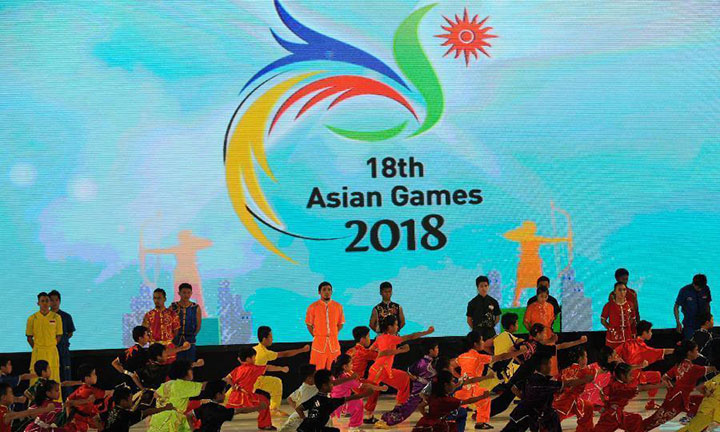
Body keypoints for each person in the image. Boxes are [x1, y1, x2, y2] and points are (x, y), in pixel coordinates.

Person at [490, 324, 586, 417]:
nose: (545, 335)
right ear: (538, 334)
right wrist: (579, 341)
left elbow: (512, 349)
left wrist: (520, 360)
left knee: (506, 401)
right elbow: (561, 346)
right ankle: (484, 414)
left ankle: (485, 413)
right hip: (522, 377)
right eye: (544, 333)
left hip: (521, 375)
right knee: (504, 402)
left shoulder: (528, 342)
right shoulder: (538, 347)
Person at [365, 316, 434, 420]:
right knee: (371, 392)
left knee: (404, 379)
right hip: (379, 370)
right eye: (396, 325)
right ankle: (368, 416)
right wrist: (427, 332)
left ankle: (399, 407)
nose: (397, 327)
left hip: (383, 370)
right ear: (390, 327)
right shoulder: (391, 338)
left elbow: (371, 350)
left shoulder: (380, 338)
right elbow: (411, 336)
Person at [501, 354, 593, 432]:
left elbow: (514, 388)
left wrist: (525, 399)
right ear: (542, 366)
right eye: (549, 364)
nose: (550, 366)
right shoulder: (544, 383)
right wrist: (585, 380)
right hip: (533, 415)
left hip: (524, 413)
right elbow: (567, 384)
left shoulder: (530, 378)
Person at [456, 330, 524, 430]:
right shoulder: (479, 357)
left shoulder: (462, 356)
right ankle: (479, 422)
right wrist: (519, 352)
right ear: (475, 344)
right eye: (481, 340)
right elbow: (502, 357)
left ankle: (457, 419)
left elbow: (450, 365)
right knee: (483, 398)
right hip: (476, 385)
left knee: (463, 403)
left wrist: (459, 378)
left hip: (465, 386)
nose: (483, 342)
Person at [642, 340, 716, 431]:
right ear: (689, 353)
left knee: (703, 402)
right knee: (652, 422)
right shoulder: (694, 369)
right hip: (677, 401)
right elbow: (713, 368)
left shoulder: (678, 365)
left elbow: (664, 377)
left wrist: (671, 389)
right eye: (696, 350)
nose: (698, 352)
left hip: (677, 398)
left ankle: (696, 423)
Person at [376, 341, 440, 428]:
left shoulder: (429, 362)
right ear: (431, 351)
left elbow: (410, 371)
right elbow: (410, 372)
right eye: (436, 348)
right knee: (407, 409)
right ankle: (387, 421)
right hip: (419, 390)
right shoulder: (423, 363)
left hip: (426, 389)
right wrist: (417, 379)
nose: (438, 350)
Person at [615, 320, 673, 410]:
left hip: (631, 375)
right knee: (629, 395)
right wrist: (678, 350)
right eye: (650, 331)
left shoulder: (628, 343)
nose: (651, 333)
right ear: (644, 333)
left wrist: (622, 365)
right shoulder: (643, 348)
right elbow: (662, 351)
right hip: (632, 379)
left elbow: (614, 353)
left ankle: (651, 403)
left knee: (656, 375)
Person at [225, 347, 288, 431]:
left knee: (229, 411)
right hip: (246, 397)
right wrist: (281, 368)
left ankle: (265, 424)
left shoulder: (238, 369)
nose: (255, 359)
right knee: (264, 402)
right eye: (254, 357)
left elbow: (228, 378)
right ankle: (265, 425)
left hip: (234, 396)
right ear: (248, 359)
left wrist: (233, 386)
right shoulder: (253, 368)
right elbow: (268, 367)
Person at [253, 326, 310, 416]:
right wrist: (302, 350)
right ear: (264, 339)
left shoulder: (255, 349)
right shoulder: (264, 353)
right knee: (236, 401)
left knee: (276, 383)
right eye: (271, 337)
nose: (272, 339)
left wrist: (280, 368)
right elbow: (285, 354)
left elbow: (265, 367)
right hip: (250, 381)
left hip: (258, 379)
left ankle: (273, 409)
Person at [413, 370, 491, 432]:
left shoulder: (433, 396)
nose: (454, 383)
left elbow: (420, 406)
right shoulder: (449, 401)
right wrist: (482, 397)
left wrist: (427, 416)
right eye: (452, 381)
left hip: (424, 423)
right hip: (438, 426)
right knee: (462, 412)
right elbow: (468, 401)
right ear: (446, 385)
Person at [294, 369, 371, 432]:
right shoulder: (329, 402)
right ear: (324, 386)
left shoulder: (315, 398)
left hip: (304, 428)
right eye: (331, 383)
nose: (333, 385)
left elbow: (299, 408)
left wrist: (306, 420)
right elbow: (349, 398)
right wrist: (365, 394)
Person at [593, 362, 661, 432]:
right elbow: (641, 388)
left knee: (635, 419)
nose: (632, 377)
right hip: (611, 417)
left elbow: (602, 392)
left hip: (617, 414)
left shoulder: (614, 379)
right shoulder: (621, 388)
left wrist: (606, 404)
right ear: (623, 376)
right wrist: (661, 385)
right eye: (630, 375)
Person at [329, 354, 386, 431]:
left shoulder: (333, 376)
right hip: (342, 404)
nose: (352, 365)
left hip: (332, 401)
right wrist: (380, 388)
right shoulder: (347, 378)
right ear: (345, 366)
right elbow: (363, 385)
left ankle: (327, 423)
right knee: (358, 403)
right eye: (351, 363)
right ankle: (353, 428)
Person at [149, 360, 206, 432]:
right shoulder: (183, 385)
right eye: (190, 369)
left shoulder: (168, 383)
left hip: (158, 420)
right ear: (185, 372)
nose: (192, 372)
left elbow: (155, 394)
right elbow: (204, 386)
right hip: (170, 422)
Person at [191, 380, 264, 432]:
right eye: (223, 393)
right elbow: (241, 410)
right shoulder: (220, 410)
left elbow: (189, 415)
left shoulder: (204, 406)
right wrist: (258, 407)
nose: (225, 395)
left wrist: (193, 430)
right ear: (218, 395)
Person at [551, 347, 596, 432]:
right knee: (554, 420)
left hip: (562, 399)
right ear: (580, 359)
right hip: (567, 401)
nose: (587, 359)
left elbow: (556, 382)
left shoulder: (565, 370)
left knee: (588, 407)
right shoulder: (586, 370)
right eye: (585, 356)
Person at [305, 282, 345, 370]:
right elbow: (309, 324)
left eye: (329, 290)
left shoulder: (338, 306)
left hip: (334, 344)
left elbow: (341, 324)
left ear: (332, 292)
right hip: (318, 344)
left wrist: (333, 333)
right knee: (316, 371)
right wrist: (317, 335)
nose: (327, 292)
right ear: (319, 292)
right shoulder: (313, 307)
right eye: (324, 290)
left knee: (335, 370)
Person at [26, 292, 63, 385]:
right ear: (38, 303)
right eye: (42, 301)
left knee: (53, 376)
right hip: (38, 351)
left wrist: (51, 345)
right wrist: (37, 347)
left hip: (52, 351)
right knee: (36, 377)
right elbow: (29, 337)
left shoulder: (56, 317)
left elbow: (59, 335)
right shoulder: (32, 318)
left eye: (47, 301)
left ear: (50, 303)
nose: (45, 303)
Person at [345, 326, 378, 424]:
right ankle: (369, 415)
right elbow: (379, 356)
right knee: (375, 388)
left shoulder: (350, 350)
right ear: (362, 339)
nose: (369, 339)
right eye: (368, 336)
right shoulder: (363, 352)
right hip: (355, 382)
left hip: (346, 381)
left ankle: (349, 408)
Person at [103, 385, 173, 432]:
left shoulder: (112, 410)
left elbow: (98, 419)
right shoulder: (125, 415)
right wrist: (165, 408)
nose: (132, 401)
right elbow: (146, 412)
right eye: (130, 399)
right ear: (123, 401)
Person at [66, 364, 113, 432]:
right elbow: (107, 393)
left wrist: (69, 418)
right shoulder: (91, 391)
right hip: (83, 421)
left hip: (83, 418)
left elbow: (68, 400)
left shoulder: (81, 388)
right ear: (87, 378)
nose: (96, 376)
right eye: (94, 374)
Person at [523, 285, 558, 375]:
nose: (543, 299)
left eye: (545, 296)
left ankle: (550, 377)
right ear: (537, 295)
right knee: (537, 358)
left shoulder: (550, 306)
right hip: (536, 336)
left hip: (548, 335)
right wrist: (534, 333)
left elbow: (551, 321)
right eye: (541, 296)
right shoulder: (531, 307)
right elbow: (526, 322)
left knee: (550, 357)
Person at [47, 290, 75, 393]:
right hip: (49, 351)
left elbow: (70, 333)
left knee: (65, 376)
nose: (54, 302)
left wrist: (62, 340)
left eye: (56, 300)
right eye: (51, 300)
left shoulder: (66, 316)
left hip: (63, 351)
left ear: (60, 301)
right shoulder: (45, 317)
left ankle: (66, 399)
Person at [142, 288, 180, 362]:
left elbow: (176, 331)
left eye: (159, 298)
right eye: (155, 298)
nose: (156, 300)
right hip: (154, 349)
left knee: (170, 368)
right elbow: (144, 331)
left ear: (164, 299)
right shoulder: (148, 315)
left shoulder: (172, 314)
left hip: (168, 348)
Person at [280, 365, 318, 432]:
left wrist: (296, 408)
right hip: (305, 417)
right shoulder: (309, 389)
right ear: (309, 378)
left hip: (298, 416)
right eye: (316, 375)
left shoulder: (304, 386)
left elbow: (289, 398)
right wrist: (299, 410)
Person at [170, 283, 201, 362]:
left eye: (188, 292)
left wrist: (192, 335)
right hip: (176, 342)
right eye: (184, 292)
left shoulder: (195, 307)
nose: (186, 295)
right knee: (176, 364)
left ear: (191, 293)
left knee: (189, 364)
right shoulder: (173, 307)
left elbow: (198, 326)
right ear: (179, 293)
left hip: (190, 340)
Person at [675, 274, 712, 340]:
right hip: (689, 324)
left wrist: (709, 319)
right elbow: (676, 307)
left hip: (703, 323)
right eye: (698, 287)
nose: (700, 289)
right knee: (691, 342)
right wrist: (678, 322)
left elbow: (708, 304)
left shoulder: (706, 289)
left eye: (701, 288)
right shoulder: (684, 290)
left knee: (704, 342)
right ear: (693, 284)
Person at [601, 282, 637, 348]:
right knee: (613, 354)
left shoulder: (630, 304)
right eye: (619, 290)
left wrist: (627, 326)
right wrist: (610, 329)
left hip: (627, 337)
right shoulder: (609, 305)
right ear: (615, 292)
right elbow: (603, 320)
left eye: (624, 290)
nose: (622, 292)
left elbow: (633, 318)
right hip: (613, 338)